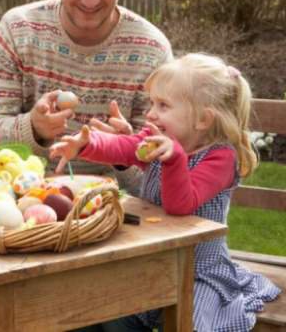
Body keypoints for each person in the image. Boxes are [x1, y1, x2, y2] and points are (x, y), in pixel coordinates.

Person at [50, 53, 281, 332]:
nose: (150, 113)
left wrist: (174, 160)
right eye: (152, 103)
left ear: (202, 120)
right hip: (151, 260)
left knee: (193, 324)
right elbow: (123, 146)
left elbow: (181, 205)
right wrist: (85, 144)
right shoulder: (159, 142)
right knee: (103, 311)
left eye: (163, 105)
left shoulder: (220, 158)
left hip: (196, 271)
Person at [0, 0, 172, 192]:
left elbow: (156, 180)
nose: (90, 0)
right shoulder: (17, 29)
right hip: (22, 193)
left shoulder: (153, 51)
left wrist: (123, 152)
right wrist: (34, 128)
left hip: (111, 203)